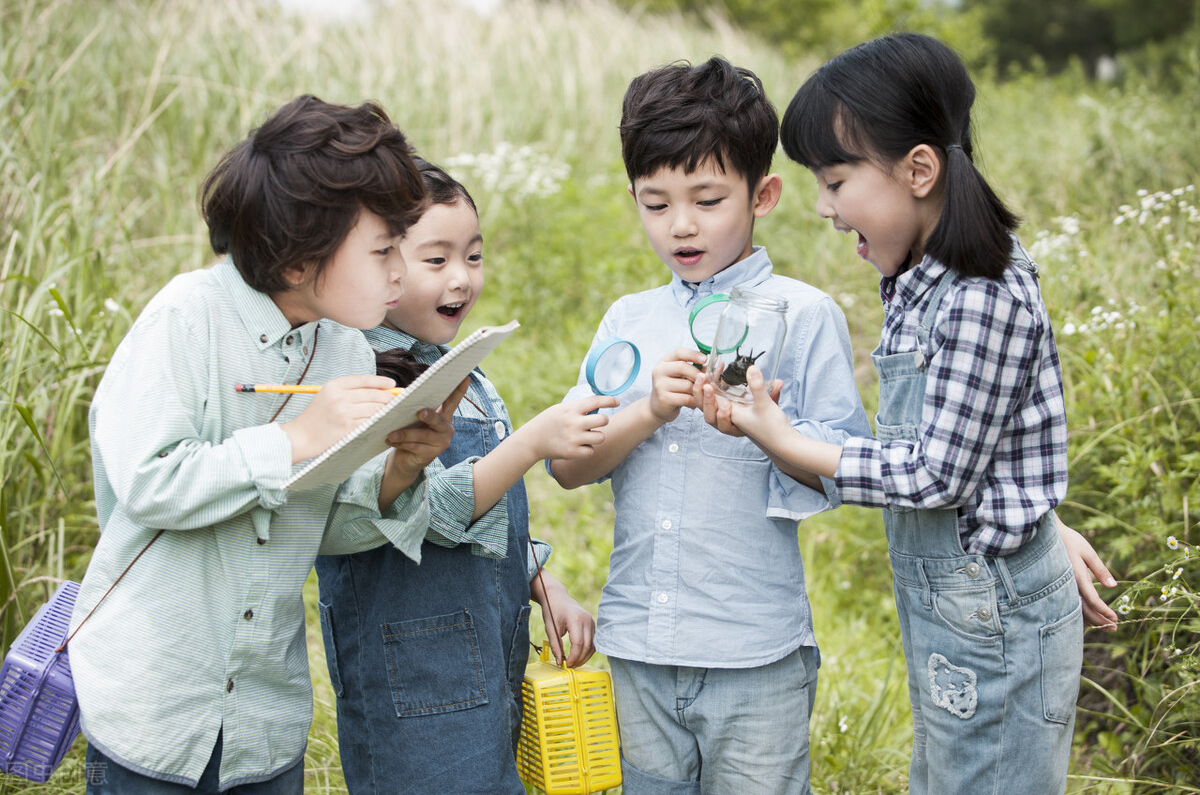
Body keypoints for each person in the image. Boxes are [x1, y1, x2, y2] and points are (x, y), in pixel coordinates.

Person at [694, 33, 1112, 794]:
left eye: (835, 181)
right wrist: (1042, 522)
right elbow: (984, 437)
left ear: (919, 170)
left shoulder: (981, 295)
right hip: (961, 606)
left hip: (995, 609)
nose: (824, 208)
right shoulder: (922, 278)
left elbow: (938, 473)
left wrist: (784, 437)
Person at [69, 95, 467, 794]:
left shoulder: (344, 347)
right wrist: (293, 439)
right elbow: (149, 484)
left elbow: (325, 523)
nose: (400, 272)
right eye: (382, 250)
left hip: (264, 718)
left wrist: (403, 465)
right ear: (296, 259)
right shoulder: (185, 319)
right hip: (153, 707)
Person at [548, 57, 874, 795]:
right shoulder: (629, 320)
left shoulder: (804, 314)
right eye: (655, 203)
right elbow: (567, 466)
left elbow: (843, 469)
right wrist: (649, 410)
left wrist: (766, 427)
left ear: (763, 195)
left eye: (708, 199)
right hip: (639, 648)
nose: (681, 225)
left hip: (755, 654)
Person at [315, 158, 614, 795]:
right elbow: (434, 508)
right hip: (412, 678)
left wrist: (541, 582)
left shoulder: (462, 372)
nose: (462, 277)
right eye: (437, 259)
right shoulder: (359, 384)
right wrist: (530, 443)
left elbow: (489, 516)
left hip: (485, 656)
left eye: (473, 256)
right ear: (379, 266)